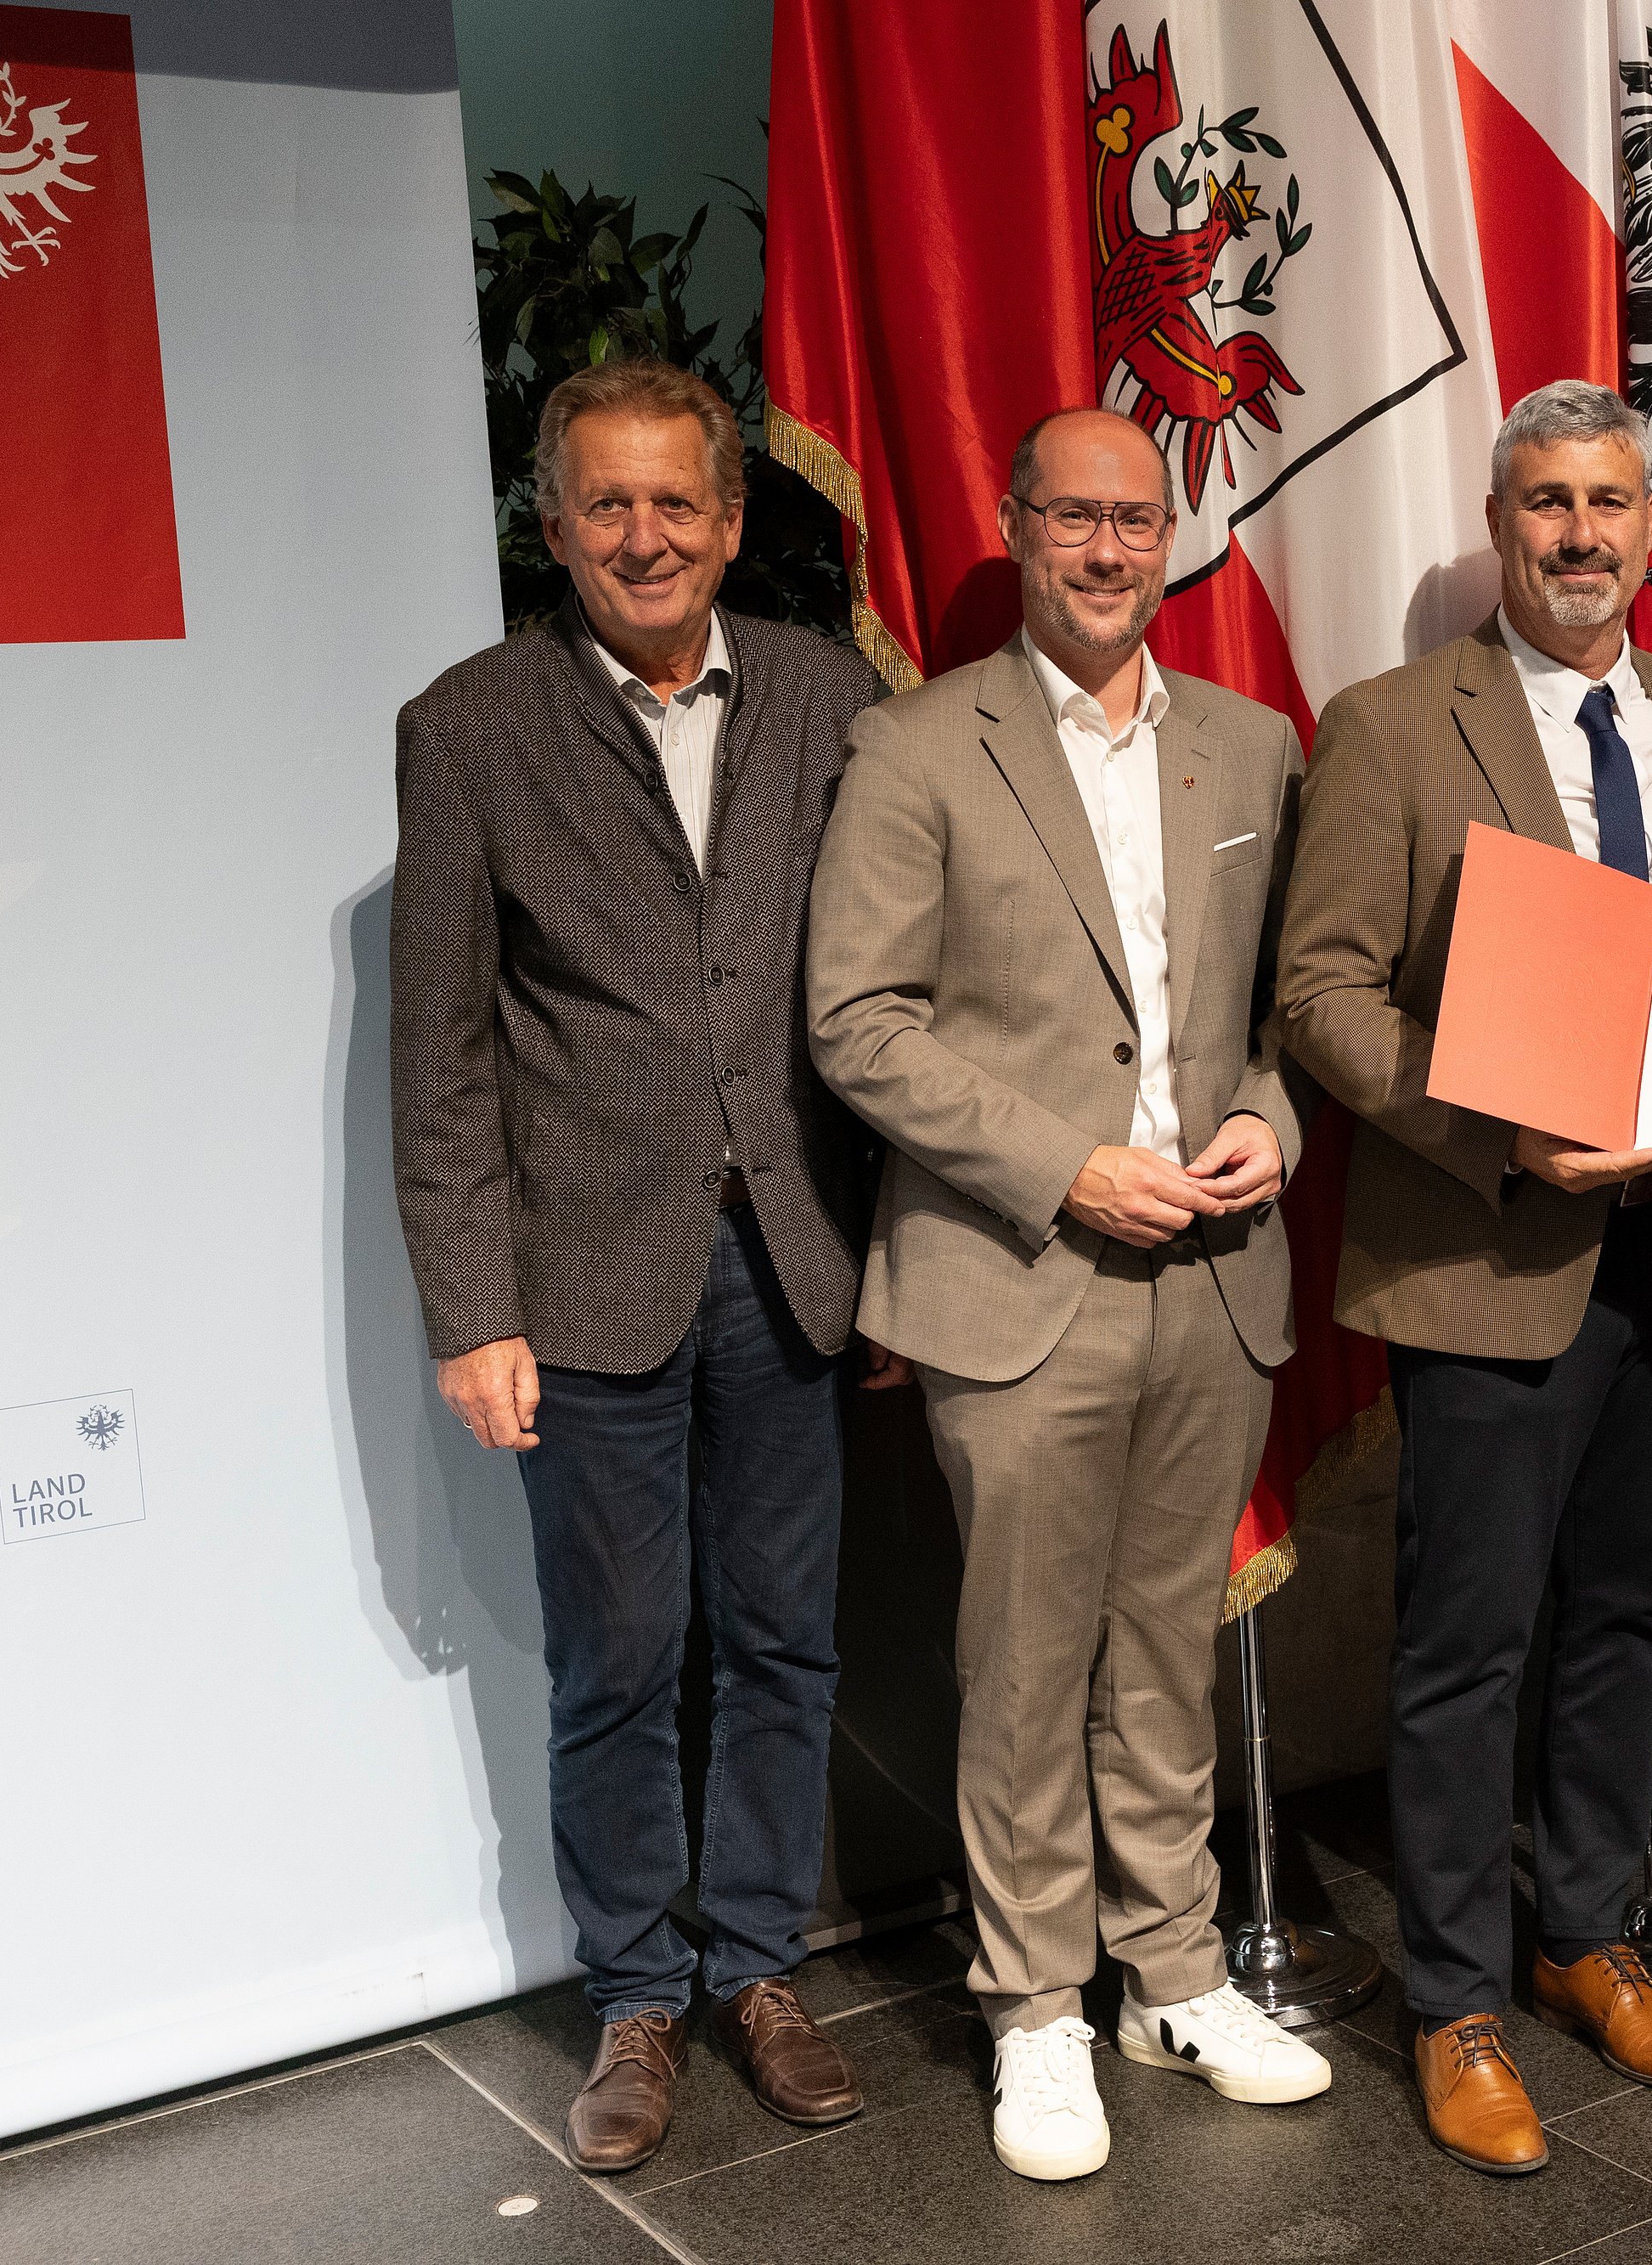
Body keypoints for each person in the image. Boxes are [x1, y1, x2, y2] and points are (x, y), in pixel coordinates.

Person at [1279, 379, 1652, 2176]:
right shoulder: (1390, 724)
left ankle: (1579, 1933)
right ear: (1498, 526)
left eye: (1609, 502)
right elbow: (1321, 990)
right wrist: (1498, 1134)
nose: (1582, 535)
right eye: (1546, 504)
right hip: (1492, 1242)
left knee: (1628, 1611)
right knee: (1468, 1641)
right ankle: (1451, 1998)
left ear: (1651, 526)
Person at [803, 407, 1328, 2183]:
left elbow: (1297, 1003)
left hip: (1216, 1272)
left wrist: (1269, 1121)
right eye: (1073, 518)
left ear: (1169, 538)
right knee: (1025, 1662)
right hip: (1021, 1267)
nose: (1107, 550)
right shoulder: (913, 743)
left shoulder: (1252, 745)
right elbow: (856, 1021)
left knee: (1167, 1642)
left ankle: (1171, 1970)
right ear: (1016, 527)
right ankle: (1034, 2004)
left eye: (1135, 519)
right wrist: (1066, 1165)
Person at [390, 361, 891, 2172]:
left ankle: (757, 1966)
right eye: (606, 502)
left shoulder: (831, 696)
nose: (644, 535)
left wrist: (896, 1257)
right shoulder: (468, 727)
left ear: (733, 521)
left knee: (784, 1643)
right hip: (585, 1277)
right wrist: (473, 1308)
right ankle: (635, 1993)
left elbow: (889, 988)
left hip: (797, 1258)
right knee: (616, 1662)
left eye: (677, 500)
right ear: (554, 524)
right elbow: (439, 1049)